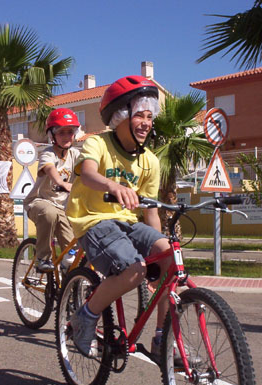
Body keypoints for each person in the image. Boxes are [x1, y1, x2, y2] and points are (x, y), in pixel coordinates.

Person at [65, 75, 173, 359]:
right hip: (92, 221)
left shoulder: (150, 160)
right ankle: (85, 317)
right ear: (120, 115)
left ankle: (162, 337)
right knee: (135, 270)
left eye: (150, 117)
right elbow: (87, 174)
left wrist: (159, 243)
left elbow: (150, 211)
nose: (147, 123)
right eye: (139, 115)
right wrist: (113, 185)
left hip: (126, 223)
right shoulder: (97, 144)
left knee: (170, 257)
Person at [23, 108, 81, 272]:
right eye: (61, 133)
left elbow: (88, 169)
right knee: (49, 213)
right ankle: (42, 258)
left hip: (63, 208)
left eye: (70, 132)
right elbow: (49, 169)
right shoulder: (47, 153)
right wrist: (61, 183)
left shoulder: (75, 154)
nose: (66, 136)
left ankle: (67, 287)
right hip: (39, 202)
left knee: (72, 252)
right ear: (52, 135)